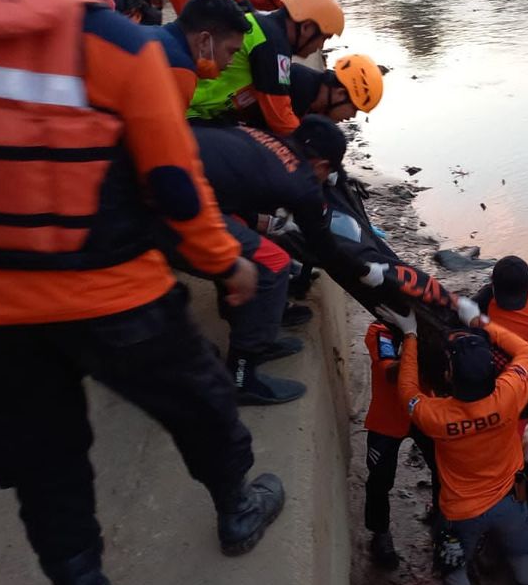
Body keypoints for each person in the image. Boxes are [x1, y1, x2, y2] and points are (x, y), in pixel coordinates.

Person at [0, 0, 283, 585]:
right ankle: (235, 509)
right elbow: (176, 183)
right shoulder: (115, 43)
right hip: (113, 298)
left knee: (44, 460)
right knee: (202, 404)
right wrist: (228, 265)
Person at [191, 117, 482, 401]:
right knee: (271, 266)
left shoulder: (271, 141)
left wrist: (262, 221)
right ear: (320, 164)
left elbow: (236, 186)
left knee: (257, 256)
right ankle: (242, 375)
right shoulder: (300, 182)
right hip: (177, 202)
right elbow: (326, 248)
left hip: (185, 175)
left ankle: (256, 339)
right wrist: (364, 268)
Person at [380, 306, 528, 585]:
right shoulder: (509, 395)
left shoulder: (435, 416)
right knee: (523, 557)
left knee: (454, 572)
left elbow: (408, 390)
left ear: (448, 375)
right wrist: (480, 321)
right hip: (510, 502)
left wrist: (409, 336)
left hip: (461, 515)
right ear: (493, 371)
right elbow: (526, 352)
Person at [188, 0, 344, 135]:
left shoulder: (266, 30)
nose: (320, 47)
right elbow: (281, 121)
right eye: (323, 38)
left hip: (199, 109)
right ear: (307, 28)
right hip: (193, 113)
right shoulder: (274, 46)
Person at [361, 320, 439, 569]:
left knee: (443, 469)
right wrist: (414, 344)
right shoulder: (380, 330)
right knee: (379, 480)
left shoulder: (431, 325)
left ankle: (442, 517)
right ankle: (380, 532)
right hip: (388, 417)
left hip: (424, 412)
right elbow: (389, 372)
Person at [150, 0, 250, 109]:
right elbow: (161, 127)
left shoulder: (152, 35)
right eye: (230, 52)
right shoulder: (180, 69)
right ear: (204, 40)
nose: (230, 62)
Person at [288, 58, 386, 123]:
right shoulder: (293, 85)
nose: (352, 116)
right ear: (341, 93)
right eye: (355, 109)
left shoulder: (314, 102)